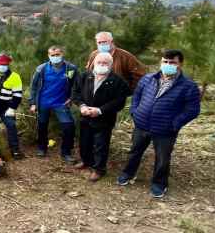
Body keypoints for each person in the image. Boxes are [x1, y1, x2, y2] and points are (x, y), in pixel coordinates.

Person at [118, 49, 201, 198]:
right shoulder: (148, 79)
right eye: (165, 62)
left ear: (180, 64)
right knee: (135, 151)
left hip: (165, 129)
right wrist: (134, 113)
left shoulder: (188, 86)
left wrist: (175, 124)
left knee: (162, 158)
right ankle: (128, 173)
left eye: (172, 62)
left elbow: (192, 110)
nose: (168, 64)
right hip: (142, 124)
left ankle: (159, 183)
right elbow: (136, 96)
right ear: (161, 62)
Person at [72, 52, 130, 182]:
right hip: (85, 116)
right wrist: (81, 106)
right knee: (84, 141)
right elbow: (75, 93)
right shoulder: (85, 76)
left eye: (105, 63)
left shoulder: (118, 81)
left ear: (111, 65)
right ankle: (86, 161)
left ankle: (99, 169)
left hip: (104, 119)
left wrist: (100, 110)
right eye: (99, 62)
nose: (102, 65)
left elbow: (119, 102)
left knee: (101, 145)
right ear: (94, 63)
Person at [28, 46, 79, 164]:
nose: (55, 57)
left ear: (62, 54)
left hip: (61, 103)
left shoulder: (70, 68)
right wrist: (33, 103)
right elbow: (34, 87)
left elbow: (76, 85)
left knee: (68, 126)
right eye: (52, 55)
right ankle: (42, 148)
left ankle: (66, 152)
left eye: (57, 54)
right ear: (48, 56)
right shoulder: (41, 69)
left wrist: (71, 98)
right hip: (43, 102)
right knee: (42, 126)